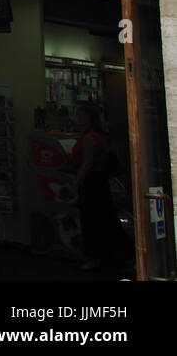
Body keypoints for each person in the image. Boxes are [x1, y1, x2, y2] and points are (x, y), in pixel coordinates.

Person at [69, 104, 124, 271]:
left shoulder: (89, 138)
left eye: (81, 116)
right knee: (104, 219)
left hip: (92, 184)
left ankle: (97, 257)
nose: (78, 119)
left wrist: (76, 182)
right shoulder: (95, 136)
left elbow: (86, 163)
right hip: (98, 183)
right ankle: (111, 256)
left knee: (93, 221)